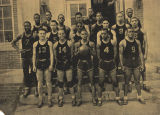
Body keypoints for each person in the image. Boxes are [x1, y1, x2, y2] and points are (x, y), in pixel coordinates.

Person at [119, 27, 145, 105]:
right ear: (126, 32)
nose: (131, 33)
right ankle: (125, 97)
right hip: (127, 65)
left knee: (137, 81)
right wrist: (122, 65)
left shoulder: (137, 42)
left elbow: (140, 53)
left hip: (136, 64)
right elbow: (120, 54)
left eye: (132, 32)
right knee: (126, 82)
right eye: (129, 31)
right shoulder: (122, 42)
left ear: (134, 33)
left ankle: (139, 96)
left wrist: (142, 64)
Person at [96, 29, 122, 106]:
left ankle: (118, 98)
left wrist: (112, 60)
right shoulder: (99, 43)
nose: (103, 35)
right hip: (103, 65)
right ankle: (99, 99)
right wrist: (102, 61)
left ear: (108, 34)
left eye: (105, 33)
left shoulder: (112, 42)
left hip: (111, 64)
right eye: (102, 34)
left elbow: (115, 52)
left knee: (115, 81)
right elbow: (98, 55)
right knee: (101, 82)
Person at [11, 21, 35, 98]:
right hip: (24, 55)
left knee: (34, 70)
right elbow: (13, 42)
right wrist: (18, 50)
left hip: (32, 55)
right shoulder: (21, 35)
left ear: (30, 26)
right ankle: (27, 88)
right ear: (23, 27)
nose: (27, 27)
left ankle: (35, 88)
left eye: (28, 26)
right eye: (25, 26)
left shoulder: (34, 35)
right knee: (25, 71)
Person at [53, 29, 76, 107]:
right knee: (60, 83)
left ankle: (73, 98)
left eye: (62, 33)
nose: (61, 35)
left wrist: (68, 63)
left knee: (70, 82)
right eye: (59, 34)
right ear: (58, 35)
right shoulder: (55, 44)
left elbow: (72, 55)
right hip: (60, 65)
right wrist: (59, 62)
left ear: (65, 35)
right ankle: (60, 98)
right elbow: (55, 56)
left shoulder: (69, 43)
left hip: (68, 64)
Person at [74, 29, 96, 106]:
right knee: (79, 82)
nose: (84, 36)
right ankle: (79, 99)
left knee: (92, 81)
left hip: (89, 63)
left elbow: (95, 54)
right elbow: (74, 55)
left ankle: (94, 98)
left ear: (87, 35)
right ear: (80, 35)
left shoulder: (91, 43)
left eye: (85, 34)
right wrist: (79, 51)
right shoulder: (77, 44)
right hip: (80, 63)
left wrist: (89, 49)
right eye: (82, 34)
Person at [32, 28, 54, 108]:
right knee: (40, 83)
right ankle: (40, 99)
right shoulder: (35, 44)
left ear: (45, 34)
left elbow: (51, 55)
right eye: (40, 33)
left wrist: (51, 65)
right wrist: (34, 65)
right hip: (39, 64)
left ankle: (49, 99)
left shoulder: (49, 43)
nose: (42, 35)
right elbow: (34, 55)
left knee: (48, 82)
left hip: (47, 64)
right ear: (38, 34)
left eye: (43, 33)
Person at [131, 17, 149, 91]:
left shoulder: (142, 30)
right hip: (131, 51)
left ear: (138, 22)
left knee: (142, 67)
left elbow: (146, 43)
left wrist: (145, 54)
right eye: (132, 21)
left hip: (140, 51)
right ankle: (131, 83)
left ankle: (145, 83)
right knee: (131, 67)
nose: (134, 22)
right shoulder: (129, 31)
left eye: (135, 21)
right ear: (131, 22)